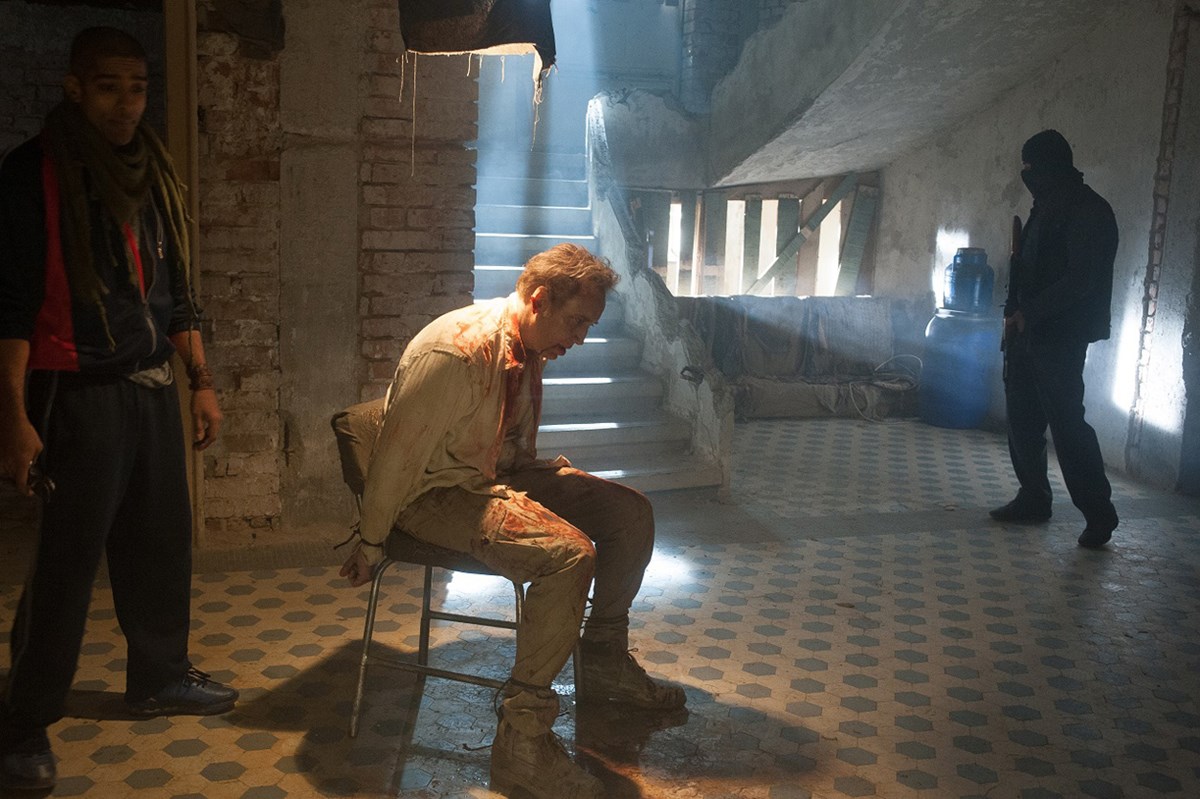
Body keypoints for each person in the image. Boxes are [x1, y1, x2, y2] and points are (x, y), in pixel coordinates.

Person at [339, 242, 685, 799]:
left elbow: (506, 448)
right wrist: (373, 542)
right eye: (576, 322)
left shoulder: (527, 343)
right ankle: (522, 742)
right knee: (569, 557)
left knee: (630, 513)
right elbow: (394, 463)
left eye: (588, 325)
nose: (580, 338)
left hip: (492, 475)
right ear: (540, 299)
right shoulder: (456, 352)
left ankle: (602, 659)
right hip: (432, 495)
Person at [0, 27, 238, 791]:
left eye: (137, 87)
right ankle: (23, 720)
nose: (126, 103)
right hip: (77, 390)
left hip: (152, 383)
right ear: (75, 88)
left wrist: (200, 379)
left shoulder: (153, 170)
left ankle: (158, 675)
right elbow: (10, 308)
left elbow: (177, 291)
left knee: (160, 540)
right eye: (108, 87)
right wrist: (13, 417)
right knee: (67, 563)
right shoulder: (33, 174)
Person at [991, 129, 1120, 549]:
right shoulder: (1045, 206)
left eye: (1032, 166)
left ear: (1052, 165)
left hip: (1061, 336)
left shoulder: (1089, 211)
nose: (1027, 174)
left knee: (1067, 425)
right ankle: (1033, 497)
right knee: (1022, 418)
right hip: (1027, 332)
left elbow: (1081, 281)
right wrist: (1015, 312)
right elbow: (1029, 268)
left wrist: (1031, 312)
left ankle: (1099, 514)